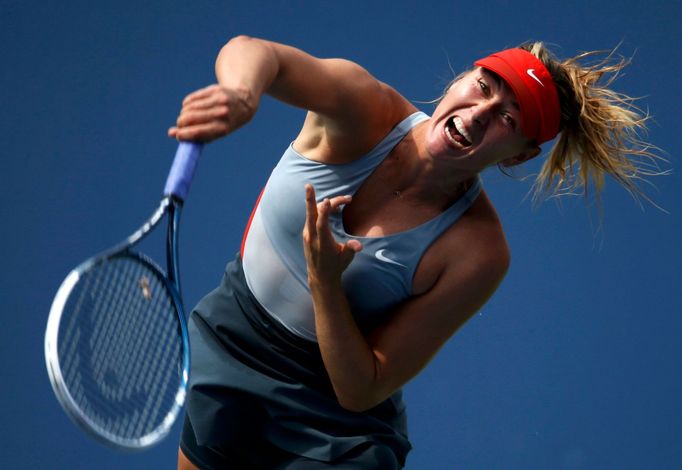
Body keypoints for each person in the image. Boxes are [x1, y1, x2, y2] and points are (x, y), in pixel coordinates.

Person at [169, 36, 659, 469]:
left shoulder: (477, 252)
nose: (479, 114)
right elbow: (258, 52)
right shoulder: (363, 107)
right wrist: (240, 93)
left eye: (507, 119)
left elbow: (362, 389)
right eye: (485, 87)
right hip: (233, 342)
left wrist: (325, 284)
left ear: (519, 155)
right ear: (462, 78)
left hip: (337, 429)